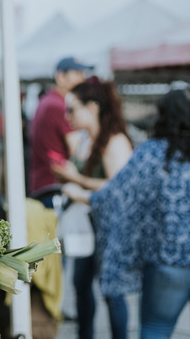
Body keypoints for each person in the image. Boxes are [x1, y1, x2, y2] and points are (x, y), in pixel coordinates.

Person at [64, 88, 190, 339]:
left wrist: (80, 194)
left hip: (169, 261)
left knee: (155, 330)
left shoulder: (151, 154)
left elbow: (116, 194)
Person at [52, 77, 133, 339]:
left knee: (112, 291)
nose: (68, 116)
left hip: (111, 227)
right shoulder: (85, 140)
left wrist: (77, 182)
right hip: (86, 225)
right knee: (81, 284)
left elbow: (118, 189)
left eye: (72, 109)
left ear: (93, 107)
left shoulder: (116, 141)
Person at [28, 56, 92, 203]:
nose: (83, 79)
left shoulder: (47, 101)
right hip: (54, 188)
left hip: (44, 185)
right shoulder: (59, 106)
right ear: (60, 77)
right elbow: (77, 150)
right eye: (77, 74)